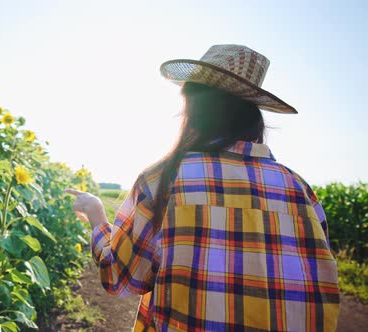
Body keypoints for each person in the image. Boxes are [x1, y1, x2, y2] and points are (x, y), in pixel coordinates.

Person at [66, 44, 340, 332]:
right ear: (251, 115)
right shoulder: (300, 190)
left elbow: (121, 277)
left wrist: (98, 218)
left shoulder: (165, 178)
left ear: (194, 109)